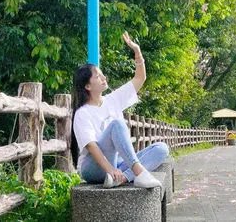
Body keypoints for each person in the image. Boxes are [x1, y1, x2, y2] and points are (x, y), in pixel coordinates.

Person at [71, 31, 169, 188]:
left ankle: (123, 178)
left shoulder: (112, 100)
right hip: (93, 168)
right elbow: (92, 147)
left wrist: (137, 52)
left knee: (161, 149)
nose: (104, 78)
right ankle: (139, 173)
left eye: (103, 75)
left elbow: (139, 78)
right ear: (87, 86)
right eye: (98, 76)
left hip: (118, 164)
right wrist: (110, 170)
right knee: (117, 124)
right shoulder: (82, 113)